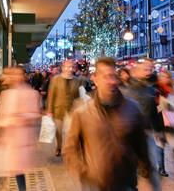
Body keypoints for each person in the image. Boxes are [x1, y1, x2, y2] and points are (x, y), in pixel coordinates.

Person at [63, 57, 158, 190]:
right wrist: (83, 171)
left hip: (126, 184)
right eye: (106, 76)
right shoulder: (82, 112)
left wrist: (146, 170)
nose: (111, 81)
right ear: (95, 79)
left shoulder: (132, 108)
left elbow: (141, 145)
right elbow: (70, 148)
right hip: (94, 185)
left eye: (113, 76)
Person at [0, 67, 41, 191]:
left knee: (16, 170)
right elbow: (1, 115)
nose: (11, 78)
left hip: (19, 141)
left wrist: (20, 118)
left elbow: (35, 114)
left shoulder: (31, 93)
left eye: (14, 75)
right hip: (4, 139)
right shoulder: (5, 94)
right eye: (9, 75)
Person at [47, 60, 82, 156]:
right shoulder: (55, 79)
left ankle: (68, 148)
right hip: (58, 109)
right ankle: (58, 147)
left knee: (70, 131)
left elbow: (78, 96)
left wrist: (78, 108)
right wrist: (49, 110)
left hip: (71, 110)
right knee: (58, 131)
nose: (69, 69)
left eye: (71, 67)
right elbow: (51, 95)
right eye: (67, 66)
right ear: (62, 68)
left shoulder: (76, 80)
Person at [156, 69, 174, 175]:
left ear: (169, 78)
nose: (163, 79)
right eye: (161, 77)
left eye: (165, 77)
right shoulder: (156, 90)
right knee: (160, 145)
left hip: (172, 122)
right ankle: (161, 168)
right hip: (159, 122)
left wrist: (172, 106)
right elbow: (153, 107)